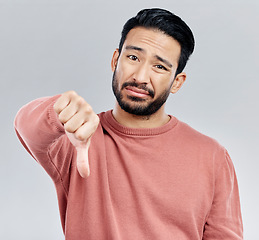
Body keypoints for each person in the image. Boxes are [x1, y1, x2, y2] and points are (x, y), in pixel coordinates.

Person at [14, 8, 243, 240]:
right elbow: (25, 125)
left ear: (177, 82)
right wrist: (58, 111)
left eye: (160, 66)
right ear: (116, 59)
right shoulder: (79, 138)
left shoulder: (212, 156)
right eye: (133, 58)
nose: (141, 77)